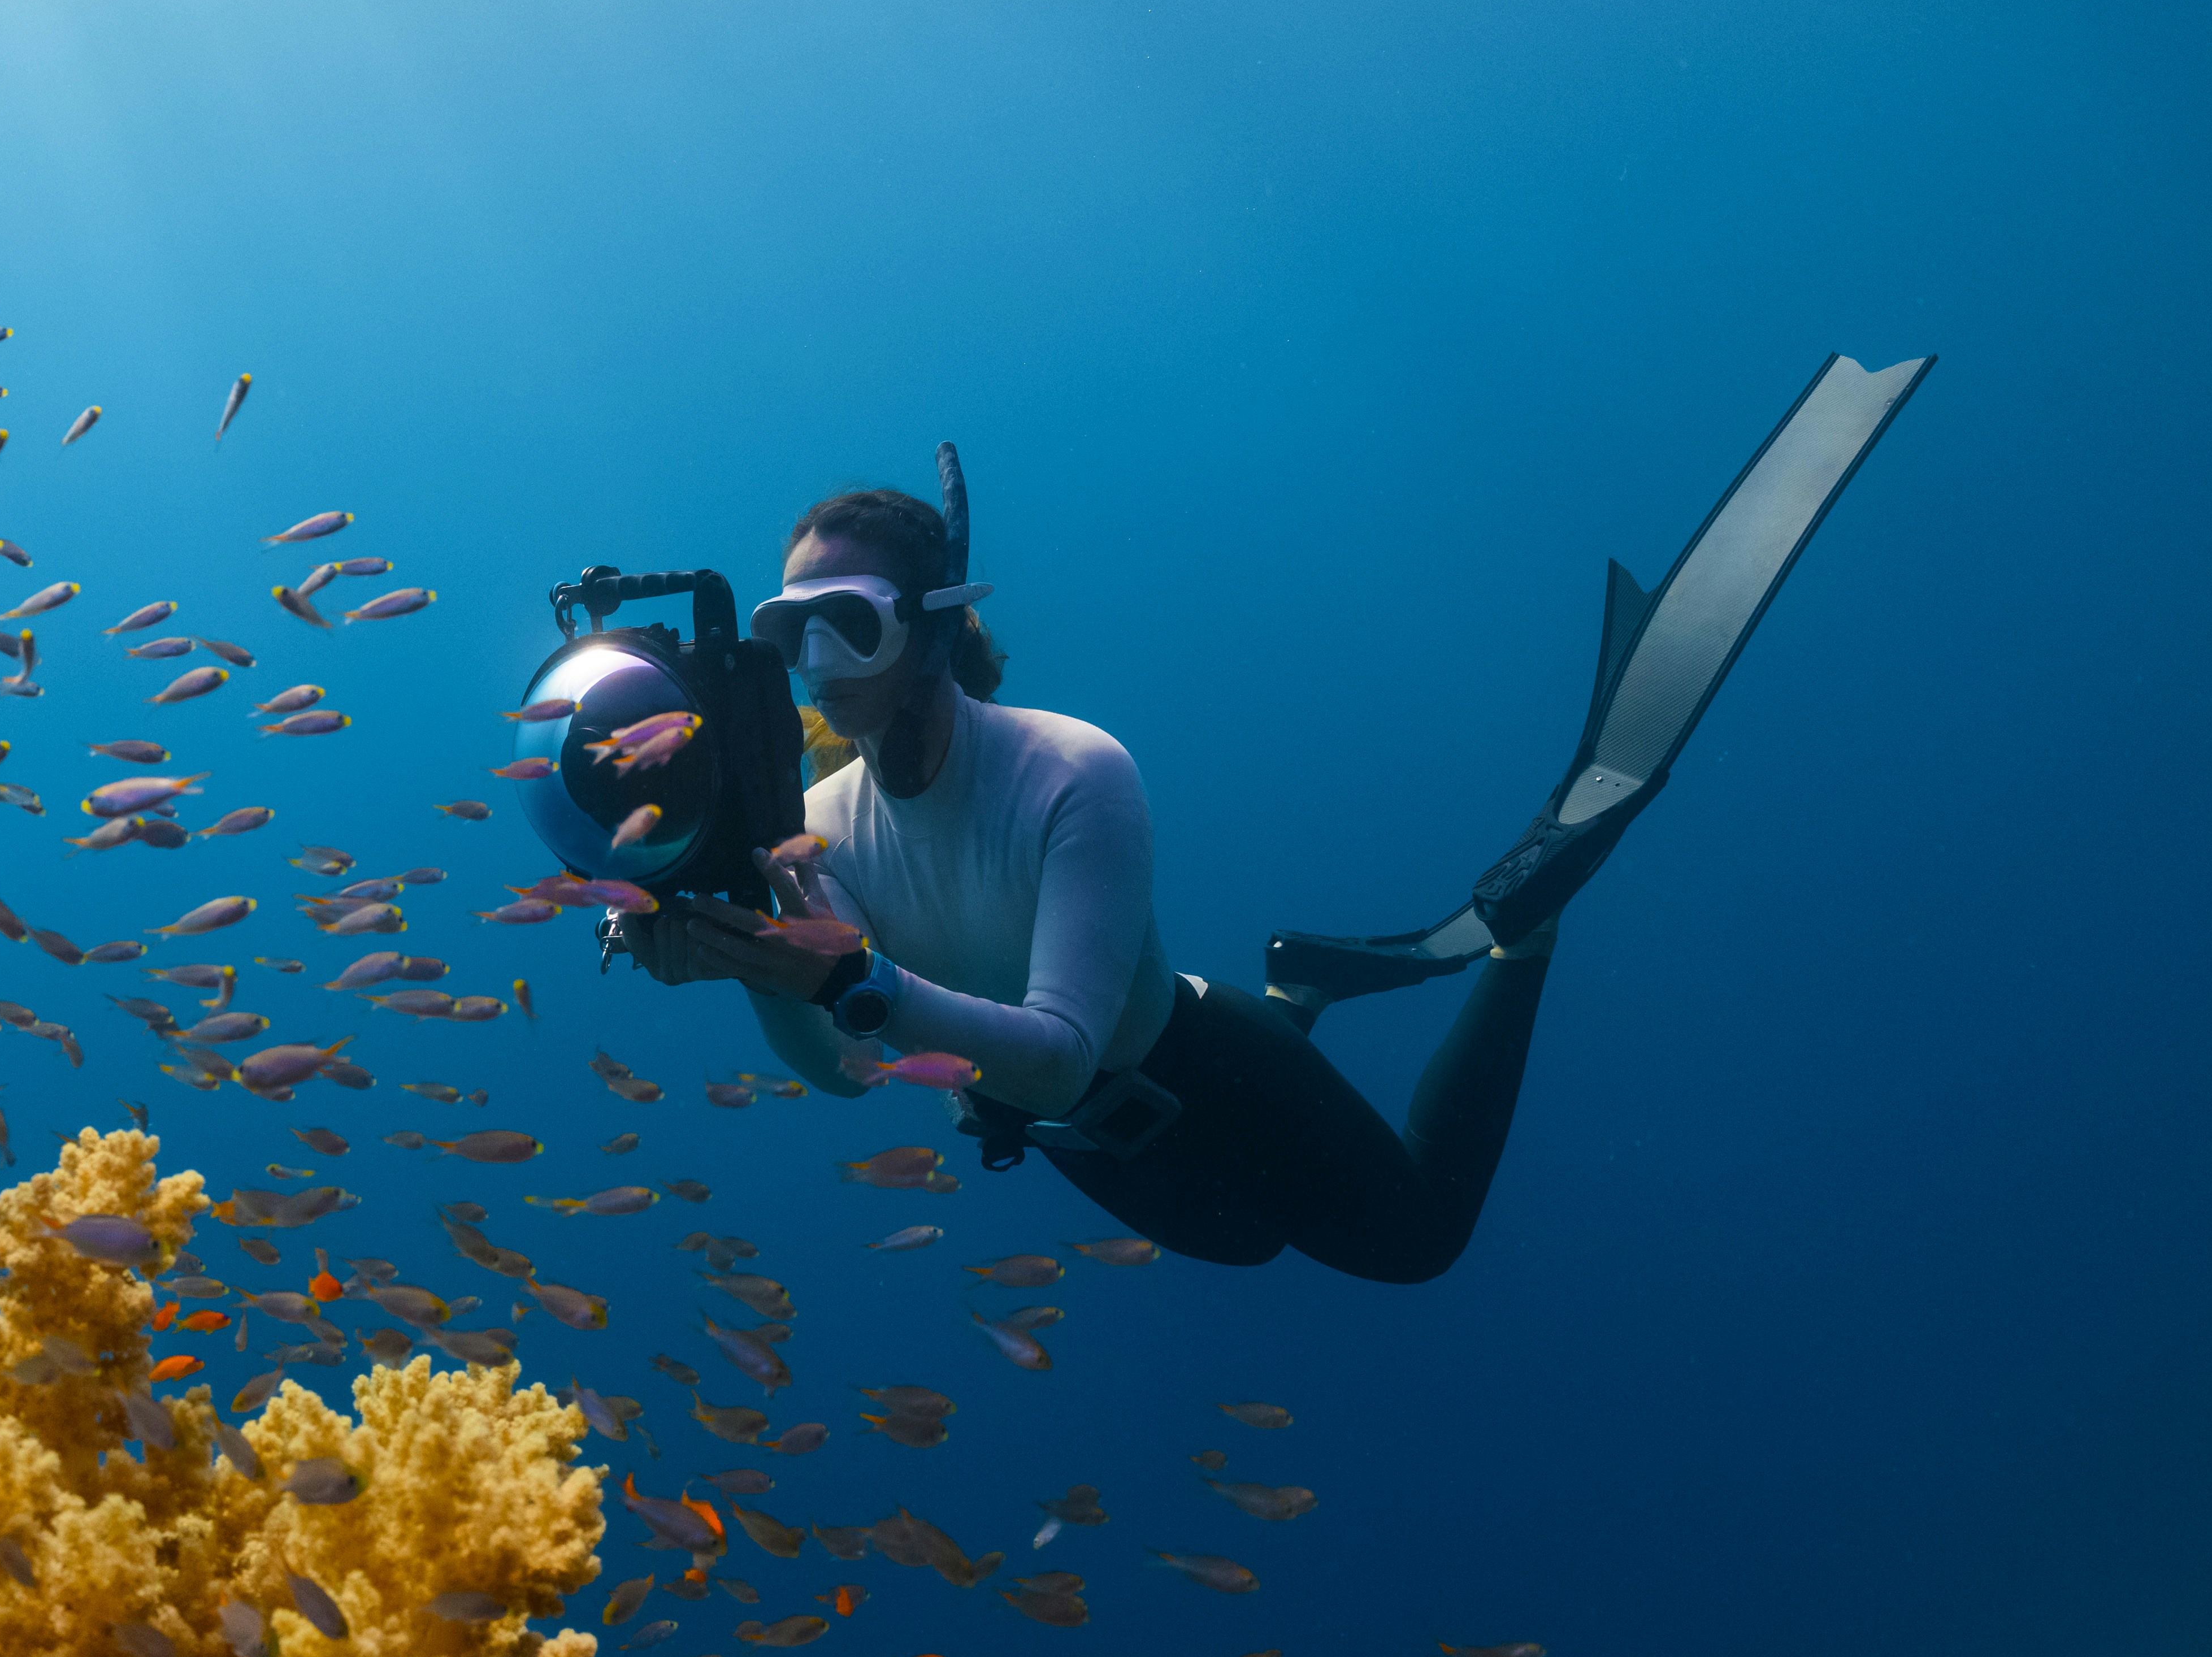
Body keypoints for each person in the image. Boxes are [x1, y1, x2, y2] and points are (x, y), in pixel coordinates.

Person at [621, 359, 1928, 1280]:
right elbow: (843, 1074)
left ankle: (1519, 942)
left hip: (1193, 1060)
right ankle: (1305, 986)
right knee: (1246, 1250)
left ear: (935, 626)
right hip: (1067, 1139)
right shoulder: (820, 833)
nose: (819, 662)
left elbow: (1062, 1049)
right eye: (792, 633)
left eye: (850, 621)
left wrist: (857, 981)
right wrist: (759, 974)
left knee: (1416, 1246)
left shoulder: (1075, 771)